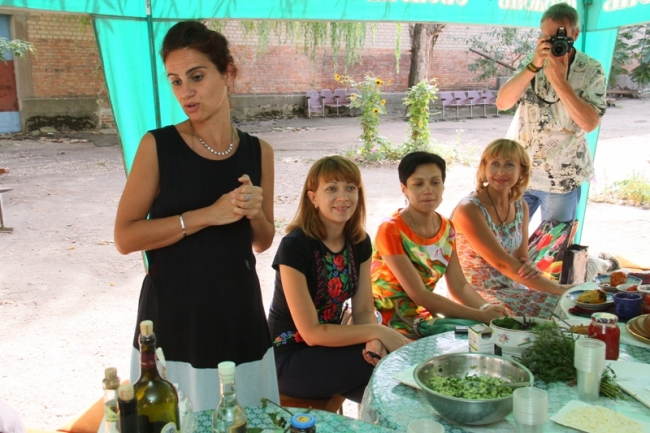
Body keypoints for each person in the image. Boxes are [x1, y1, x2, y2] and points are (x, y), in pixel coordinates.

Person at [114, 21, 278, 410]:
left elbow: (262, 241)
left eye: (197, 76)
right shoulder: (158, 146)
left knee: (245, 419)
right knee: (178, 417)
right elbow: (125, 237)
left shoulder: (259, 152)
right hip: (176, 315)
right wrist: (206, 215)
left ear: (228, 73)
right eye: (175, 81)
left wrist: (254, 213)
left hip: (239, 312)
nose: (185, 92)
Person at [268, 156, 410, 403]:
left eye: (350, 188)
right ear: (313, 197)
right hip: (289, 358)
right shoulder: (294, 247)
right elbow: (311, 333)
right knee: (389, 369)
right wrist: (378, 332)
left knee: (387, 373)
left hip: (331, 349)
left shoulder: (359, 242)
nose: (343, 197)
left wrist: (375, 339)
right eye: (332, 188)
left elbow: (363, 310)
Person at [371, 151, 507, 339]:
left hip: (423, 317)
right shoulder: (390, 229)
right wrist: (480, 315)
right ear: (404, 189)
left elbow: (459, 286)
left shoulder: (447, 228)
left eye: (435, 182)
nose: (428, 190)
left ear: (443, 186)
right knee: (478, 334)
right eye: (418, 184)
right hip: (390, 320)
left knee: (491, 332)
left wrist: (487, 309)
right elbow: (419, 294)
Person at [496, 3, 607, 222]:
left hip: (561, 179)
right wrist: (533, 65)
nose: (554, 43)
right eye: (547, 37)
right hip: (521, 173)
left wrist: (559, 80)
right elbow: (502, 103)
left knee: (554, 241)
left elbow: (589, 123)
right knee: (507, 236)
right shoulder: (532, 62)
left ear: (575, 34)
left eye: (559, 37)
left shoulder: (591, 69)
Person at [451, 139, 569, 318]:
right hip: (476, 293)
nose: (501, 172)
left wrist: (528, 265)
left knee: (568, 304)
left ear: (521, 171)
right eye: (495, 164)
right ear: (484, 168)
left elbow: (521, 258)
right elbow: (502, 263)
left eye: (509, 165)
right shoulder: (469, 208)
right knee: (559, 306)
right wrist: (560, 289)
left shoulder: (520, 205)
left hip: (512, 287)